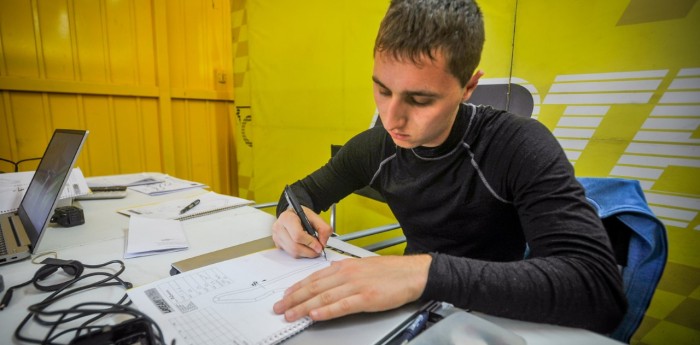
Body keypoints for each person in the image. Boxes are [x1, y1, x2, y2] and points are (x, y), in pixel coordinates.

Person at [271, 0, 627, 334]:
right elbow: (301, 193)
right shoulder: (376, 147)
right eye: (382, 90)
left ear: (468, 86)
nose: (392, 118)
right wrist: (289, 216)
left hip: (500, 318)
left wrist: (424, 272)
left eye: (420, 99)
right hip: (410, 310)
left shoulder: (517, 144)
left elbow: (597, 287)